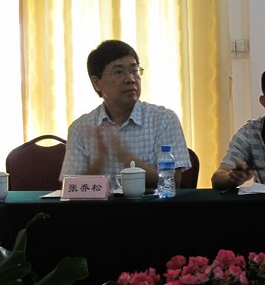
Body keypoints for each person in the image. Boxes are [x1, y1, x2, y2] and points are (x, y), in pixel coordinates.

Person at [59, 40, 191, 190]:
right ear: (96, 83)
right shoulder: (80, 128)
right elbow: (70, 188)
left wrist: (125, 157)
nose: (130, 79)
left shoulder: (164, 120)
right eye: (118, 72)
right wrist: (98, 164)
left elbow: (172, 182)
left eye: (134, 70)